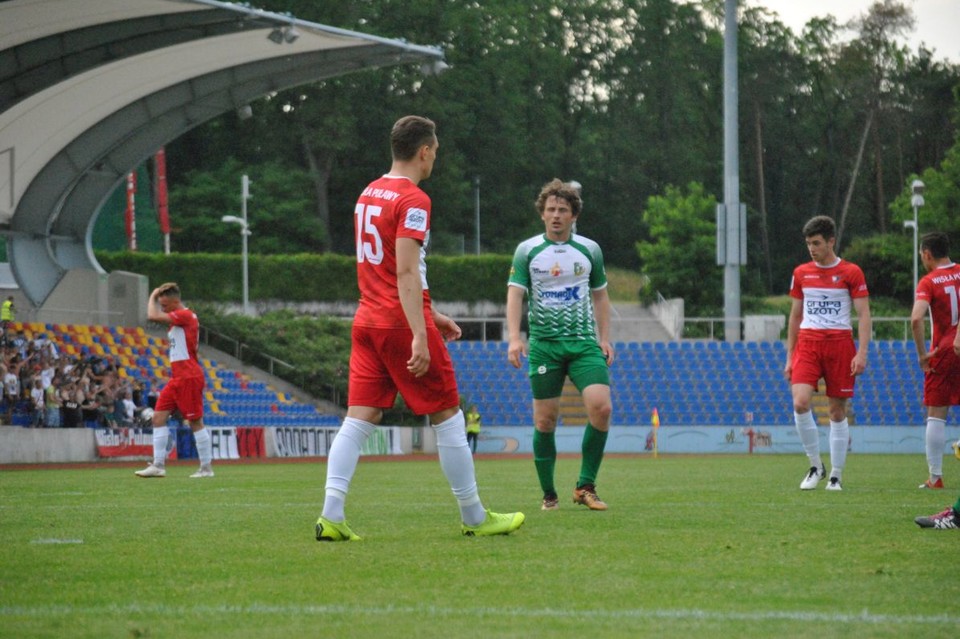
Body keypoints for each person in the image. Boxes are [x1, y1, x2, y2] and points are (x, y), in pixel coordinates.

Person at [315, 115, 524, 541]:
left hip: (367, 320)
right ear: (424, 151)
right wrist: (419, 332)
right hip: (397, 322)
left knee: (359, 418)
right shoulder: (414, 199)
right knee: (448, 415)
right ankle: (474, 517)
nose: (435, 159)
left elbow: (390, 269)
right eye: (436, 151)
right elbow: (406, 273)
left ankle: (331, 516)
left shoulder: (368, 192)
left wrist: (431, 316)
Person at [506, 178, 614, 511]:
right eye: (551, 209)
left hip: (583, 344)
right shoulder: (527, 251)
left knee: (602, 407)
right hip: (545, 346)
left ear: (573, 215)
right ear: (542, 213)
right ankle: (549, 493)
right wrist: (514, 337)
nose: (556, 215)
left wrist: (605, 337)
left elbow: (600, 295)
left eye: (562, 210)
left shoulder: (589, 250)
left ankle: (585, 486)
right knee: (545, 421)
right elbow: (515, 294)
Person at [784, 215, 871, 491]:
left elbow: (864, 313)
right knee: (799, 402)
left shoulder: (851, 272)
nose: (812, 248)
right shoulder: (801, 273)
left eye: (817, 243)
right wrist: (790, 356)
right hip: (808, 344)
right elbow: (795, 316)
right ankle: (815, 466)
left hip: (839, 344)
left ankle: (836, 474)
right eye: (809, 243)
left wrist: (862, 352)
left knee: (836, 412)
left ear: (831, 241)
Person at [135, 283, 214, 478]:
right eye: (160, 304)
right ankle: (158, 465)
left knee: (195, 421)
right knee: (158, 418)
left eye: (165, 304)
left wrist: (153, 294)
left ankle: (206, 468)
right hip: (177, 377)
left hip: (189, 376)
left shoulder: (185, 315)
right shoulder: (177, 321)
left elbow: (152, 316)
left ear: (176, 301)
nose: (162, 309)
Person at [909, 232, 960, 489]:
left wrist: (922, 355)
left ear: (927, 254)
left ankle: (936, 477)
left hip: (945, 351)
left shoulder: (929, 282)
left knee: (936, 414)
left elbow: (916, 318)